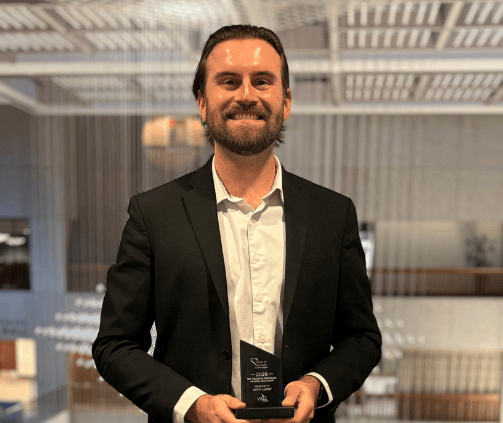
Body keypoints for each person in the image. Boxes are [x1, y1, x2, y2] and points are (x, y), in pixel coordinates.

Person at [93, 25, 382, 423]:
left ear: (285, 101)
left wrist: (317, 383)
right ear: (202, 101)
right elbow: (115, 344)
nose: (246, 95)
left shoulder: (334, 214)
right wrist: (191, 404)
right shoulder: (152, 214)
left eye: (262, 81)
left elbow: (362, 339)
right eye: (229, 81)